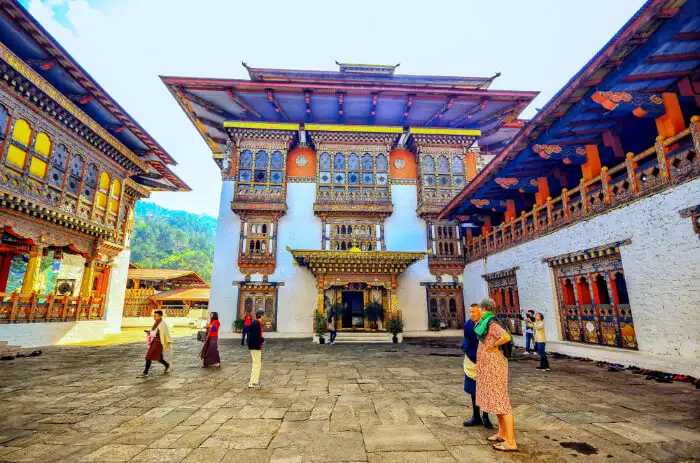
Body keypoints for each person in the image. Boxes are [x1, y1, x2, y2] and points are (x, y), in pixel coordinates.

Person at [474, 304, 517, 452]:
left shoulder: (492, 323)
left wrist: (494, 346)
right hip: (489, 368)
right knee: (497, 402)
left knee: (502, 401)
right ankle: (502, 433)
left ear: (485, 309)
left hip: (495, 367)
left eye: (480, 309)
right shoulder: (486, 324)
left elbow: (505, 337)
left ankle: (510, 442)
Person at [462, 304, 493, 429]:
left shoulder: (486, 324)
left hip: (484, 359)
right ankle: (476, 416)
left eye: (474, 312)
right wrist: (466, 348)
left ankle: (485, 416)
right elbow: (467, 339)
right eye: (470, 312)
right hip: (471, 358)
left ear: (480, 312)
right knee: (473, 390)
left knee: (485, 389)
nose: (471, 314)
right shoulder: (467, 324)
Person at [138, 309, 172, 377]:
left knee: (148, 356)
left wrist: (150, 333)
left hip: (158, 342)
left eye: (155, 316)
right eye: (154, 316)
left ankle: (145, 372)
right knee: (159, 357)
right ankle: (166, 365)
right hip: (155, 341)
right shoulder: (157, 322)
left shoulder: (162, 324)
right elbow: (156, 332)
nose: (154, 317)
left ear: (160, 316)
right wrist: (149, 332)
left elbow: (161, 334)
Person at [247, 309, 265, 388]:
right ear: (262, 315)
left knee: (256, 363)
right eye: (263, 315)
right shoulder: (256, 323)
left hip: (253, 345)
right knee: (257, 364)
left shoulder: (255, 323)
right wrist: (262, 340)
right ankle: (253, 382)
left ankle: (253, 381)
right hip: (255, 346)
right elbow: (255, 336)